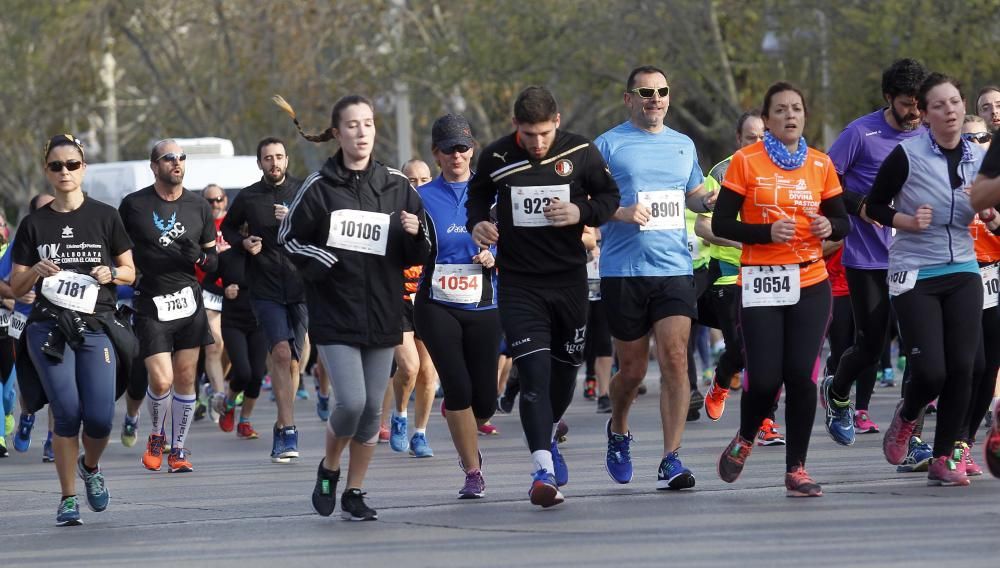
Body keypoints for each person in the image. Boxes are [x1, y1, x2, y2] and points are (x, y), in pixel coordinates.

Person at [275, 93, 430, 521]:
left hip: (384, 312)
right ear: (337, 133)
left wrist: (415, 233)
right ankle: (328, 468)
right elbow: (288, 238)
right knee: (352, 403)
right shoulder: (320, 186)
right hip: (335, 313)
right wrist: (320, 260)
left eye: (368, 123)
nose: (361, 132)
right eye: (352, 125)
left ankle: (355, 491)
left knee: (368, 419)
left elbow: (420, 251)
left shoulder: (396, 185)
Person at [467, 86, 620, 507]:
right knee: (532, 376)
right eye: (529, 135)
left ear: (557, 121)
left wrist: (581, 213)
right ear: (516, 126)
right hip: (519, 283)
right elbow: (478, 194)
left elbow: (610, 198)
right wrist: (478, 222)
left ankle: (550, 432)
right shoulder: (497, 157)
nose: (537, 144)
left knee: (565, 373)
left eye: (544, 134)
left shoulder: (582, 151)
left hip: (569, 279)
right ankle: (542, 471)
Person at [713, 82, 849, 497]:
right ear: (768, 120)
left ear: (804, 116)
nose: (790, 116)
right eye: (780, 110)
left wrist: (830, 226)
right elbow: (722, 224)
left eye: (797, 109)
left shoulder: (821, 165)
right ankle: (746, 435)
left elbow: (841, 222)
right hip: (761, 281)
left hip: (810, 280)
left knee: (801, 378)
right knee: (767, 376)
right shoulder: (745, 162)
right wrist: (765, 232)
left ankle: (797, 469)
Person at [594, 65, 715, 489]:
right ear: (629, 98)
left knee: (676, 360)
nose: (655, 98)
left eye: (662, 91)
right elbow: (585, 201)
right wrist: (620, 213)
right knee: (630, 371)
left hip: (674, 269)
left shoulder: (683, 145)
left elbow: (697, 196)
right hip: (623, 272)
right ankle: (619, 429)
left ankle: (671, 458)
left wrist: (716, 198)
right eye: (646, 92)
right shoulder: (608, 145)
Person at [10, 134, 135, 525]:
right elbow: (15, 288)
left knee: (99, 418)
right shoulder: (34, 224)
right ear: (46, 171)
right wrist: (36, 270)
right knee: (66, 413)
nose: (65, 172)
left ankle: (91, 467)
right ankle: (67, 499)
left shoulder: (105, 215)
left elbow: (130, 270)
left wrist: (111, 273)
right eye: (56, 166)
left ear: (83, 167)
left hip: (96, 325)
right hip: (49, 328)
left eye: (72, 164)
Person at [871, 73, 985, 487]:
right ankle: (907, 416)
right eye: (939, 105)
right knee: (932, 371)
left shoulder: (977, 157)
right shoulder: (907, 154)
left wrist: (989, 211)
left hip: (963, 269)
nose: (950, 110)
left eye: (955, 101)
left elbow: (988, 203)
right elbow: (873, 206)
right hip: (916, 271)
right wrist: (905, 220)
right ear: (924, 113)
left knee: (964, 367)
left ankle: (944, 457)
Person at [821, 59, 930, 449]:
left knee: (922, 351)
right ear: (889, 99)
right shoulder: (860, 133)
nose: (914, 112)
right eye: (906, 103)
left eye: (920, 103)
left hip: (916, 259)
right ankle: (838, 389)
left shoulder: (929, 135)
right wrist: (860, 204)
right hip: (867, 259)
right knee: (869, 347)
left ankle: (911, 436)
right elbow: (825, 181)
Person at [414, 113, 501, 497]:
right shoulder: (421, 197)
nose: (456, 155)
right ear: (436, 153)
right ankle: (472, 471)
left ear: (473, 149)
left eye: (463, 147)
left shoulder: (491, 194)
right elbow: (406, 246)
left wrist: (494, 254)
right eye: (448, 149)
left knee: (484, 401)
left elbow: (513, 238)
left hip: (483, 303)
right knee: (457, 388)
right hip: (437, 304)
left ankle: (467, 429)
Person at [118, 139, 218, 473]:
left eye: (181, 157)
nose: (176, 162)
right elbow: (117, 249)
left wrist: (201, 258)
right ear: (154, 166)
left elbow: (214, 260)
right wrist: (127, 274)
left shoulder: (198, 206)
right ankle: (157, 436)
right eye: (168, 157)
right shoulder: (134, 205)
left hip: (188, 299)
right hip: (151, 299)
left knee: (186, 377)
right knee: (161, 381)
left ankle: (178, 449)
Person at [697, 110, 786, 446]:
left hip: (770, 272)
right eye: (751, 138)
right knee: (743, 349)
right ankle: (722, 380)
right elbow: (703, 226)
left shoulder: (781, 170)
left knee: (770, 352)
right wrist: (744, 240)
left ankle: (766, 421)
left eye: (764, 136)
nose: (758, 143)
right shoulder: (721, 172)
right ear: (739, 140)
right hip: (729, 275)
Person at [220, 137, 307, 463]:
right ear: (259, 163)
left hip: (300, 286)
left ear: (287, 159)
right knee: (281, 354)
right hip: (265, 287)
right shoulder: (249, 196)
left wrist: (294, 221)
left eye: (279, 157)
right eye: (268, 158)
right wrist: (245, 243)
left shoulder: (303, 190)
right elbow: (227, 230)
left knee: (295, 361)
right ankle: (288, 430)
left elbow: (322, 229)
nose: (274, 163)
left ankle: (282, 420)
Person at [967, 96, 1000, 479]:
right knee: (964, 367)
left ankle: (963, 443)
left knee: (988, 365)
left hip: (993, 275)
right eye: (968, 139)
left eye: (982, 138)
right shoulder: (944, 175)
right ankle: (911, 421)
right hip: (957, 275)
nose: (976, 144)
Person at [195, 184, 229, 421]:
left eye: (218, 199)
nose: (215, 204)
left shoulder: (236, 224)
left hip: (234, 291)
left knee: (229, 351)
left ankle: (211, 385)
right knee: (214, 343)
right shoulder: (199, 225)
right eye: (210, 201)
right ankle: (217, 394)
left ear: (225, 200)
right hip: (208, 291)